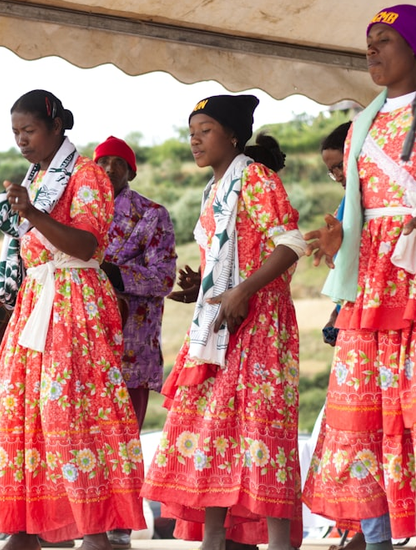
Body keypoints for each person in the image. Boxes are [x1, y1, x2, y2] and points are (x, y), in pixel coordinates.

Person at [0, 89, 146, 550]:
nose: (22, 141)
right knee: (22, 412)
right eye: (16, 133)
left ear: (57, 127)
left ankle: (95, 530)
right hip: (36, 299)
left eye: (29, 131)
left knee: (73, 413)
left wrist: (32, 212)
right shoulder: (39, 176)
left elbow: (86, 246)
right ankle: (26, 529)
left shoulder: (88, 175)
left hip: (75, 300)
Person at [141, 94, 307, 550]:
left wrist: (242, 290)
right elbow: (228, 259)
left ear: (233, 135)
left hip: (258, 324)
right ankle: (214, 538)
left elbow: (290, 244)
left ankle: (277, 543)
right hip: (219, 324)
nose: (195, 139)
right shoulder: (213, 188)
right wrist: (204, 288)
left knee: (260, 432)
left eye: (206, 130)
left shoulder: (256, 178)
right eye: (192, 131)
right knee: (212, 430)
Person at [302, 4, 416, 550]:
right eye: (368, 41)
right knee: (364, 412)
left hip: (412, 277)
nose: (372, 50)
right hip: (370, 281)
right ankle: (376, 538)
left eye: (386, 40)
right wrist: (340, 237)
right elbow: (358, 208)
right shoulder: (360, 128)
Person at [93, 135, 177, 549]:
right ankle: (87, 522)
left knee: (123, 439)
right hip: (84, 347)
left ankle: (120, 526)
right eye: (102, 162)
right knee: (83, 438)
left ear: (131, 169)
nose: (108, 169)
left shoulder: (152, 215)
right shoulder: (78, 211)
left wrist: (116, 275)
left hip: (132, 348)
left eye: (117, 162)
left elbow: (164, 277)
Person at [167, 134, 287, 305]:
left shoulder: (273, 221)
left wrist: (241, 292)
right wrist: (205, 284)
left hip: (260, 311)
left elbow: (274, 259)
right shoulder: (228, 212)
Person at [317, 121, 352, 347]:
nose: (338, 176)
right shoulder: (346, 204)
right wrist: (335, 313)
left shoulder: (382, 204)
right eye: (332, 172)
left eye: (340, 166)